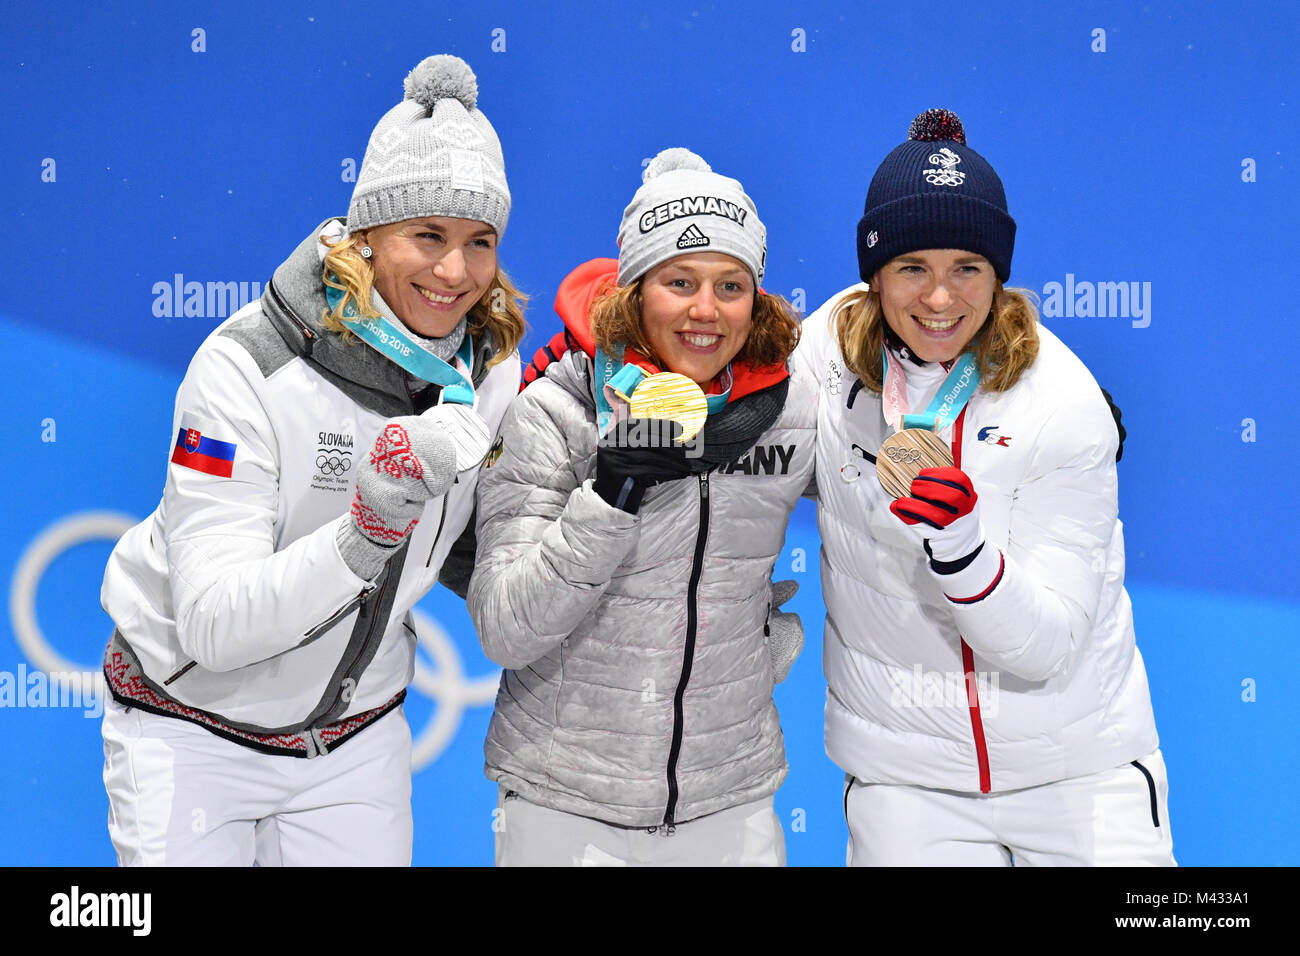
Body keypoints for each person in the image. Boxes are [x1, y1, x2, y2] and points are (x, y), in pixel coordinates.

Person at [98, 54, 523, 866]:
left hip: (353, 745)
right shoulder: (246, 367)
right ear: (363, 238)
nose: (455, 272)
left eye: (480, 242)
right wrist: (370, 526)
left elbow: (483, 554)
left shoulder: (489, 371)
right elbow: (216, 626)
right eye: (426, 235)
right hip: (189, 730)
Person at [794, 109, 1174, 866]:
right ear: (873, 276)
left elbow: (1043, 650)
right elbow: (739, 439)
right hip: (906, 786)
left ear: (999, 275)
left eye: (966, 266)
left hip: (1079, 776)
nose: (939, 299)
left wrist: (959, 545)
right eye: (912, 268)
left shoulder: (1063, 404)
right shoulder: (824, 359)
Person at [468, 148, 813, 866]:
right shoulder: (555, 413)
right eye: (678, 282)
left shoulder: (793, 413)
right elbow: (504, 628)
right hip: (567, 808)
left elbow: (883, 459)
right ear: (634, 292)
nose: (705, 311)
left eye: (731, 285)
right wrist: (608, 496)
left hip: (733, 798)